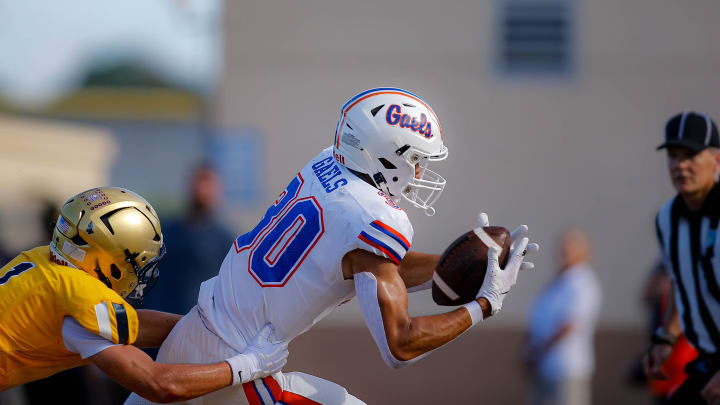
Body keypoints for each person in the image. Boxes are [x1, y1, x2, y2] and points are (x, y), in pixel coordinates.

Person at [124, 87, 540, 405]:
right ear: (386, 156)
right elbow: (401, 345)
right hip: (235, 366)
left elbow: (366, 263)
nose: (417, 172)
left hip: (194, 331)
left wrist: (455, 264)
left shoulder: (326, 164)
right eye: (415, 159)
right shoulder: (378, 219)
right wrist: (485, 303)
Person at [0, 187, 289, 403]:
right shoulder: (79, 303)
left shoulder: (47, 260)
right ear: (109, 259)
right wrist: (249, 364)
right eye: (137, 263)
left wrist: (212, 328)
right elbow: (160, 384)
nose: (141, 273)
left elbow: (133, 324)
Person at [644, 111, 720, 404]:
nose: (680, 165)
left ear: (716, 160)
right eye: (673, 156)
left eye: (690, 155)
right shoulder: (667, 219)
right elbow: (680, 282)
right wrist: (665, 337)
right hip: (709, 357)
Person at [142, 163, 235, 317]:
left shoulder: (224, 240)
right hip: (157, 323)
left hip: (200, 327)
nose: (202, 190)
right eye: (199, 182)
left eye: (208, 183)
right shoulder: (164, 232)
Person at [525, 228, 601, 405]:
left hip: (567, 368)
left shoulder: (583, 282)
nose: (565, 252)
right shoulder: (558, 281)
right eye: (563, 247)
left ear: (583, 251)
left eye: (571, 248)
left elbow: (570, 324)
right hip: (544, 368)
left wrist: (540, 350)